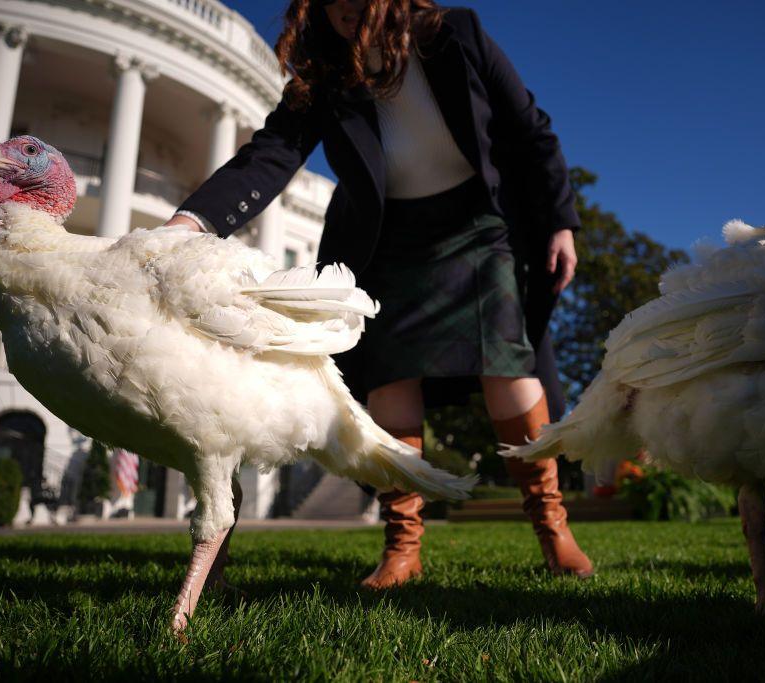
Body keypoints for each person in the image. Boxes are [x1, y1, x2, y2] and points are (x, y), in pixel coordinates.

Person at [166, 0, 594, 587]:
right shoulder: (322, 72)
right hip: (387, 240)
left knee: (508, 364)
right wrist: (190, 223)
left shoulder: (455, 34)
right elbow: (271, 155)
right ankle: (402, 546)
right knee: (391, 382)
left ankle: (551, 525)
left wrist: (560, 220)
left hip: (478, 227)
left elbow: (528, 127)